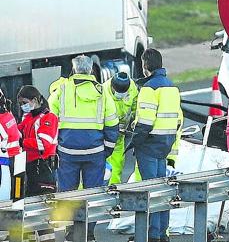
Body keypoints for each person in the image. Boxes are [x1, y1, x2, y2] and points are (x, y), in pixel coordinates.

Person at [48, 55, 119, 242]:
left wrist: (55, 147)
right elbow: (113, 124)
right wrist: (107, 150)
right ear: (90, 70)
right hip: (95, 153)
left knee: (68, 194)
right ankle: (88, 233)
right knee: (93, 194)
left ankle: (71, 232)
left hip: (67, 152)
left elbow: (49, 121)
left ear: (73, 69)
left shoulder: (62, 90)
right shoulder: (102, 92)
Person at [129, 49, 182, 242]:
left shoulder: (149, 89)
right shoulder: (172, 88)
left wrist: (133, 142)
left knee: (150, 192)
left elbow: (145, 122)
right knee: (162, 191)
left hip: (149, 146)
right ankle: (161, 233)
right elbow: (177, 120)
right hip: (164, 145)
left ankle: (150, 235)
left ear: (145, 66)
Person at [17, 85, 58, 242]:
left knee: (42, 213)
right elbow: (16, 132)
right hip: (29, 168)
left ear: (35, 100)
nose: (23, 106)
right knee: (27, 213)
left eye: (24, 102)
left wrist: (22, 142)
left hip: (43, 169)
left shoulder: (49, 118)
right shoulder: (28, 118)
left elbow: (43, 144)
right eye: (20, 104)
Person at [103, 72, 138, 184]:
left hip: (120, 137)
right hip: (105, 136)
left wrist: (134, 121)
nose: (120, 95)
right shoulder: (103, 92)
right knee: (101, 167)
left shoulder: (132, 88)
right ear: (112, 87)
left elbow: (136, 107)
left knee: (117, 165)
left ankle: (113, 189)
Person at [0, 88, 21, 201]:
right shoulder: (8, 115)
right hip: (16, 159)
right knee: (17, 196)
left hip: (5, 162)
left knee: (7, 198)